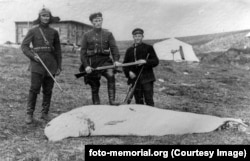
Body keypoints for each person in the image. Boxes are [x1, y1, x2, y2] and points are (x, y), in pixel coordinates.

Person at [21, 8, 62, 124]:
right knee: (34, 89)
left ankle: (44, 113)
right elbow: (24, 46)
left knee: (48, 90)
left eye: (48, 16)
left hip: (51, 64)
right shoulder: (33, 31)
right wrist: (33, 57)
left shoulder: (54, 32)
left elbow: (58, 50)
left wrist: (59, 66)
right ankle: (29, 114)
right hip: (37, 65)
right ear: (40, 17)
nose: (46, 18)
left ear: (50, 17)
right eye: (43, 16)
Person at [80, 12, 121, 105]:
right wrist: (86, 66)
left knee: (111, 75)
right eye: (96, 21)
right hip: (92, 63)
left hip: (105, 61)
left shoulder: (108, 34)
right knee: (94, 83)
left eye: (100, 20)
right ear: (92, 22)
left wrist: (116, 60)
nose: (98, 22)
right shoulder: (86, 35)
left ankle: (112, 100)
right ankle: (96, 103)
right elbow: (83, 53)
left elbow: (114, 48)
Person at [123, 28, 159, 106]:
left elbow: (156, 61)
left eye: (139, 36)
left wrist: (145, 61)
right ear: (133, 37)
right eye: (135, 36)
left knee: (149, 100)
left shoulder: (149, 48)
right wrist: (129, 72)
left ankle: (151, 116)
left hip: (147, 78)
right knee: (138, 101)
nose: (137, 38)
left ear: (142, 37)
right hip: (135, 79)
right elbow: (125, 64)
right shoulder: (129, 50)